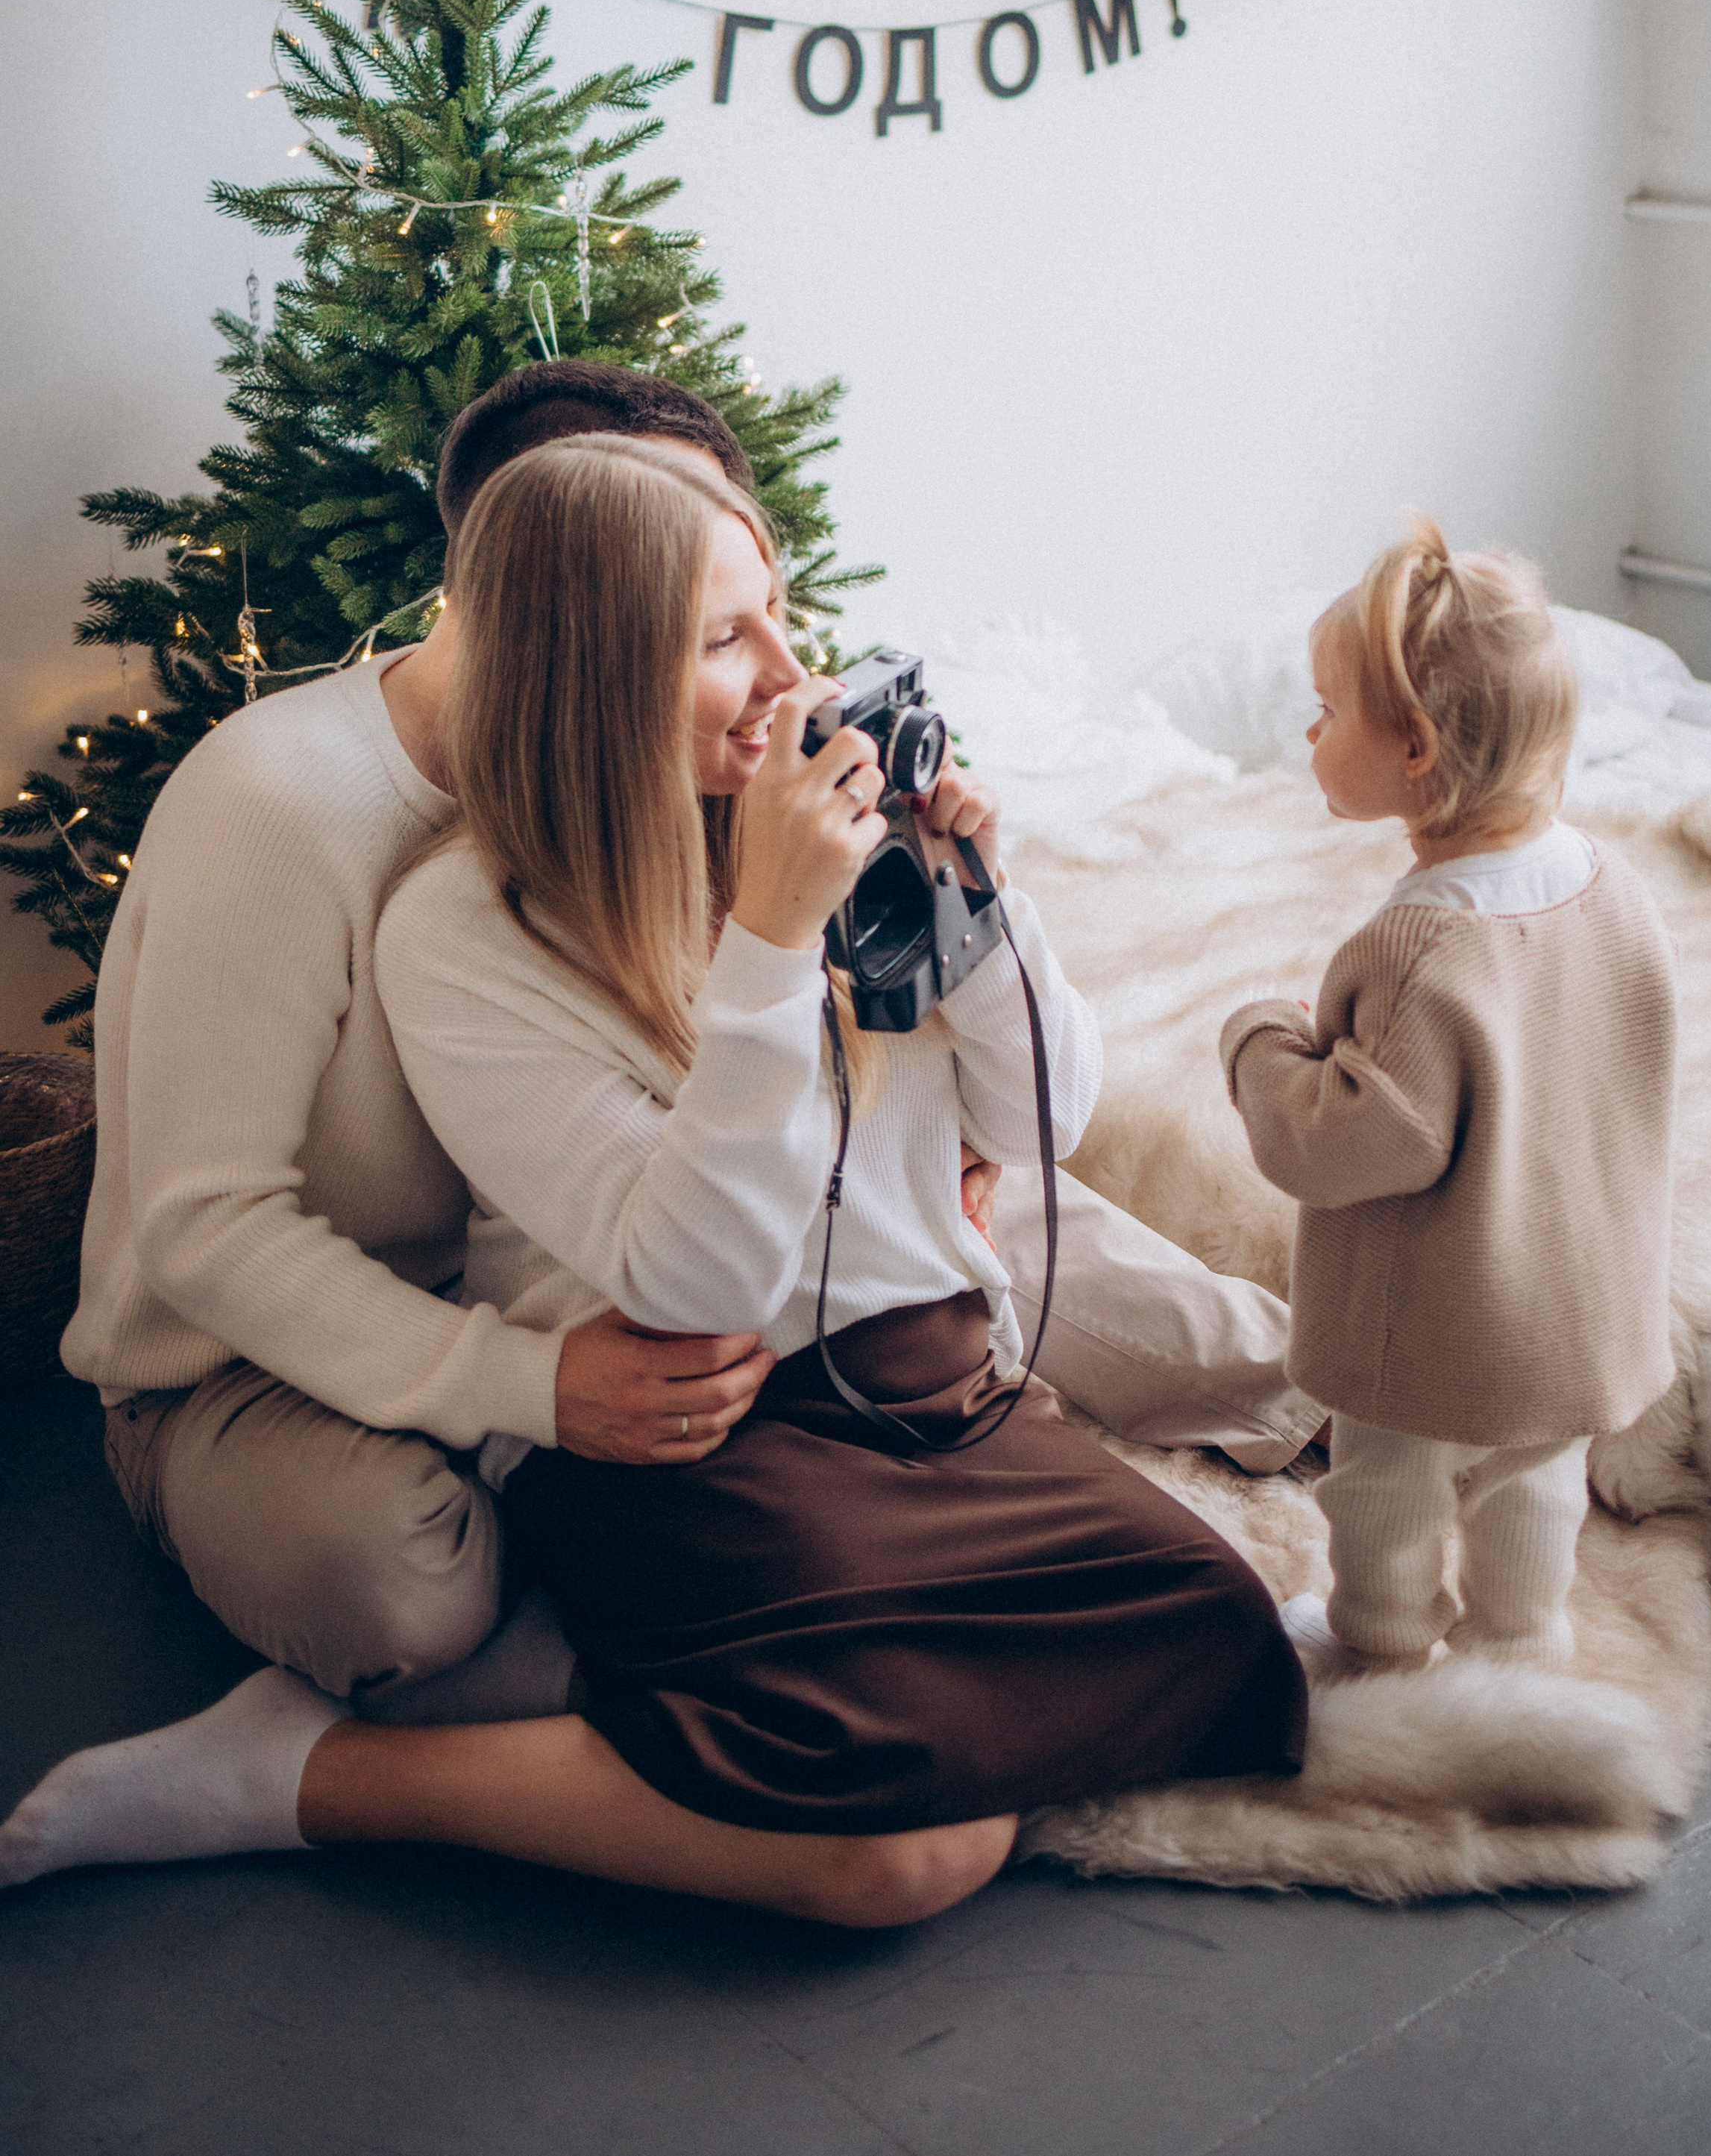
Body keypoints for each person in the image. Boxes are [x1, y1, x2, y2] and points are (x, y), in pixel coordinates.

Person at [2, 439, 1305, 1923]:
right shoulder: (394, 878)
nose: (790, 673)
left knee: (1222, 1630)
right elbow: (237, 1231)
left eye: (777, 612)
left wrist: (977, 904)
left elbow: (1036, 1118)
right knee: (887, 1831)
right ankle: (330, 1769)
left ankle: (1213, 1451)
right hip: (497, 1380)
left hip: (852, 1369)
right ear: (593, 668)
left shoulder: (777, 812)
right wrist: (766, 953)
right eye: (722, 636)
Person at [1217, 519, 1677, 1672]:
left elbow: (1349, 1140)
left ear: (1414, 747)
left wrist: (1260, 1040)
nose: (1310, 732)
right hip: (1573, 1309)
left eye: (1328, 712)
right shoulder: (1616, 887)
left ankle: (1378, 1644)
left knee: (1388, 1487)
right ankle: (1519, 1647)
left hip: (1435, 1324)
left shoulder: (1422, 943)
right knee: (1535, 1491)